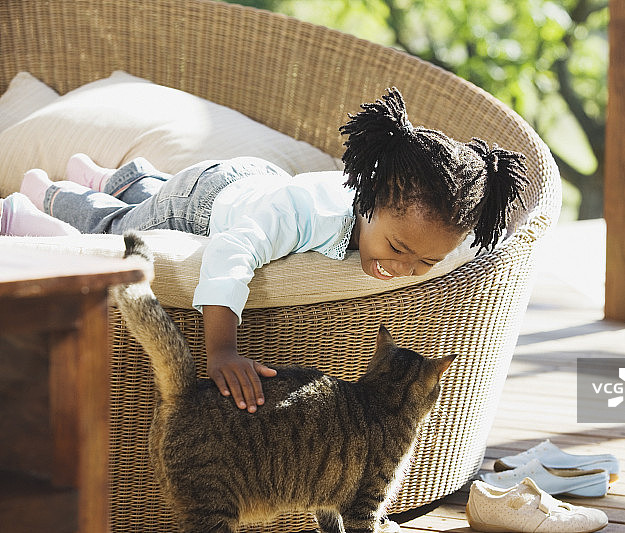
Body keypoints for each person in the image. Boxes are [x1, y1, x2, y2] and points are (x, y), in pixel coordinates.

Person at [8, 87, 528, 413]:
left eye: (426, 263)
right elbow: (231, 255)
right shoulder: (306, 219)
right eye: (398, 247)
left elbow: (497, 237)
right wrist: (222, 350)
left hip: (257, 182)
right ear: (366, 202)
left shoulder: (405, 218)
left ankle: (116, 176)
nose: (405, 267)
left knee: (154, 194)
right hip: (207, 200)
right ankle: (46, 198)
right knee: (123, 225)